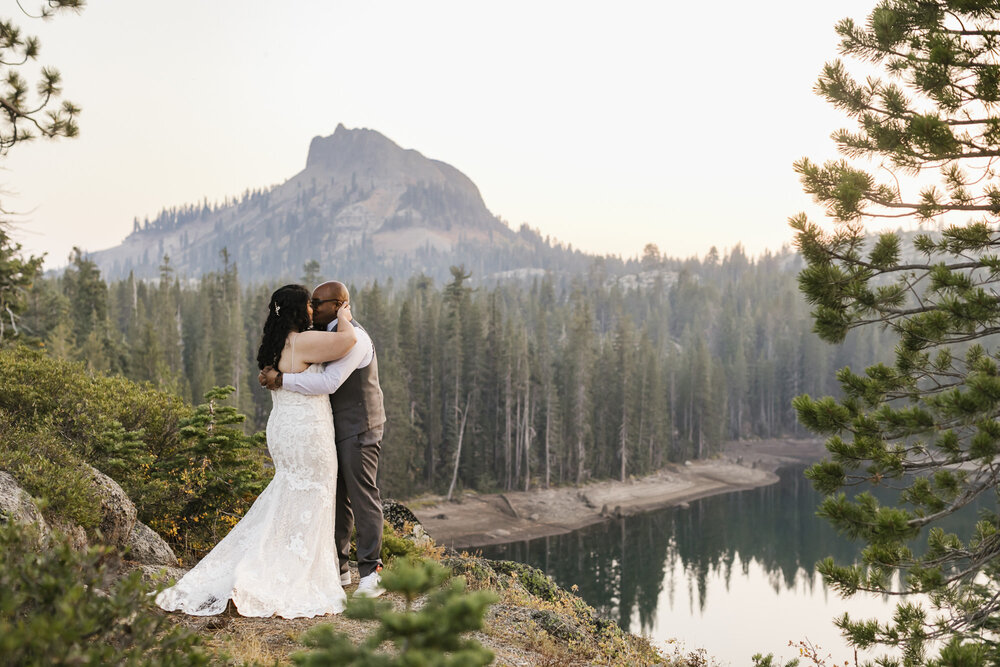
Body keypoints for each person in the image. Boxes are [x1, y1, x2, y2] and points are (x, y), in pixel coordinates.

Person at [156, 284, 357, 618]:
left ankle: (278, 561)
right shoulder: (302, 341)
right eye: (309, 305)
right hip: (308, 431)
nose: (312, 310)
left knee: (289, 493)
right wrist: (343, 313)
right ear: (297, 310)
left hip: (283, 427)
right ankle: (292, 572)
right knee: (314, 494)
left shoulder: (276, 345)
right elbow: (347, 341)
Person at [259, 280, 387, 598]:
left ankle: (371, 572)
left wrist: (282, 379)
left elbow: (329, 382)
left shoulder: (354, 337)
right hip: (328, 430)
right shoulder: (319, 337)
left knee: (362, 496)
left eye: (318, 303)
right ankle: (338, 567)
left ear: (338, 305)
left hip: (359, 427)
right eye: (310, 303)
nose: (312, 308)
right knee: (336, 497)